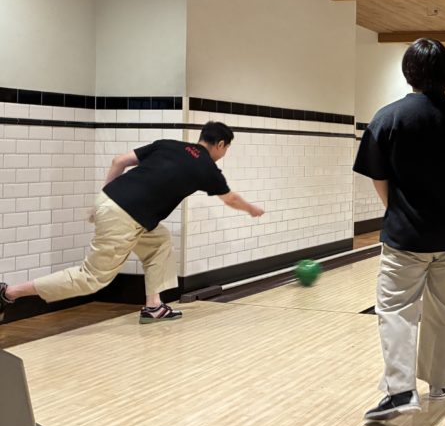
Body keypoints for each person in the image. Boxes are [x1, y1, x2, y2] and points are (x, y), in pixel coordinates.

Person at [355, 39, 445, 421]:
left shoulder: (388, 118)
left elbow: (378, 175)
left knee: (395, 308)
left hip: (405, 236)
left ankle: (401, 390)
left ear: (408, 73)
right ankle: (441, 383)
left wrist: (394, 210)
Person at [0, 122, 264, 324]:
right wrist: (252, 209)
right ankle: (9, 293)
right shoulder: (207, 168)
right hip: (126, 216)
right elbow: (230, 199)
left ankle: (154, 306)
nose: (223, 154)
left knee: (159, 241)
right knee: (92, 278)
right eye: (226, 149)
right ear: (220, 144)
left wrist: (104, 199)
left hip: (114, 202)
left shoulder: (169, 144)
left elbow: (120, 161)